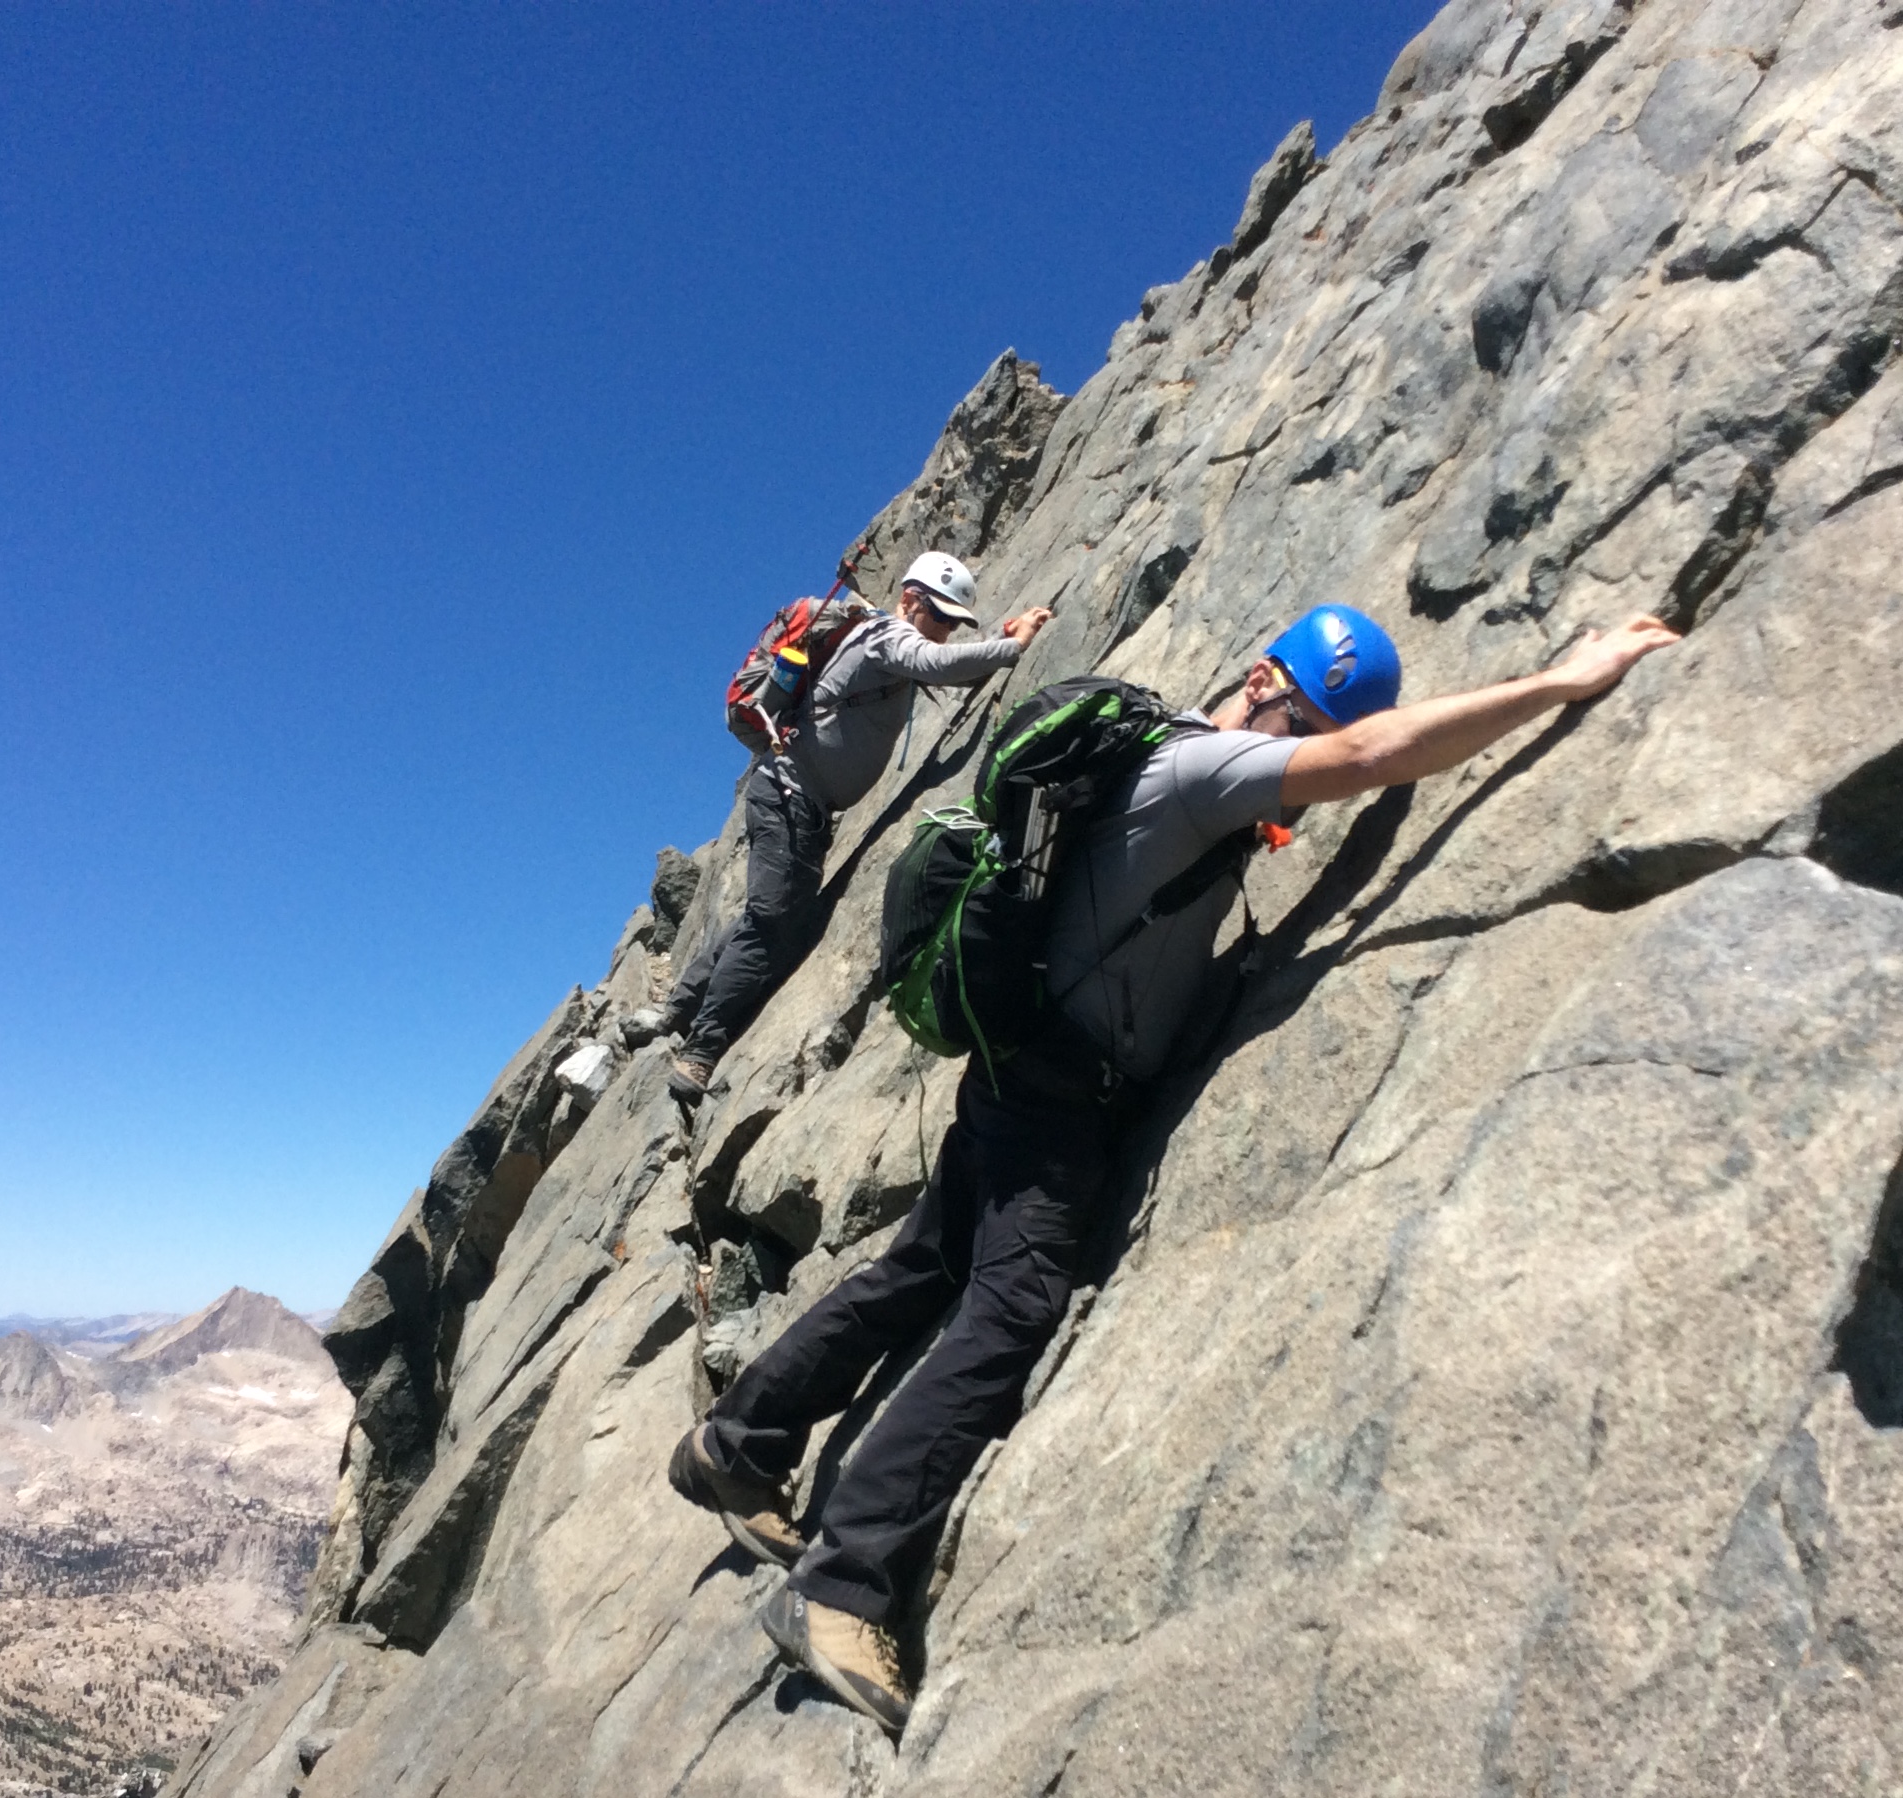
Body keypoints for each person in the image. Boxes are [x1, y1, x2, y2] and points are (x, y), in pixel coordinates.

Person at [668, 604, 1681, 1732]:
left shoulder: (1158, 753)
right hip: (1057, 1097)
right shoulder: (1200, 765)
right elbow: (1361, 758)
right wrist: (1563, 681)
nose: (1297, 757)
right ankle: (844, 1583)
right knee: (1011, 1306)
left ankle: (737, 1441)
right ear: (1266, 683)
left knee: (921, 1269)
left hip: (1022, 1070)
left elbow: (1340, 759)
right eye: (1304, 715)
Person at [664, 552, 1053, 1104]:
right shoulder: (886, 635)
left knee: (774, 912)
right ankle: (700, 1050)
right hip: (789, 794)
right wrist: (1014, 646)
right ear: (911, 600)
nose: (943, 630)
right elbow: (938, 665)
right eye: (938, 616)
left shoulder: (894, 644)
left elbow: (945, 667)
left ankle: (679, 1008)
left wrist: (999, 641)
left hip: (800, 801)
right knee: (775, 922)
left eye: (952, 623)